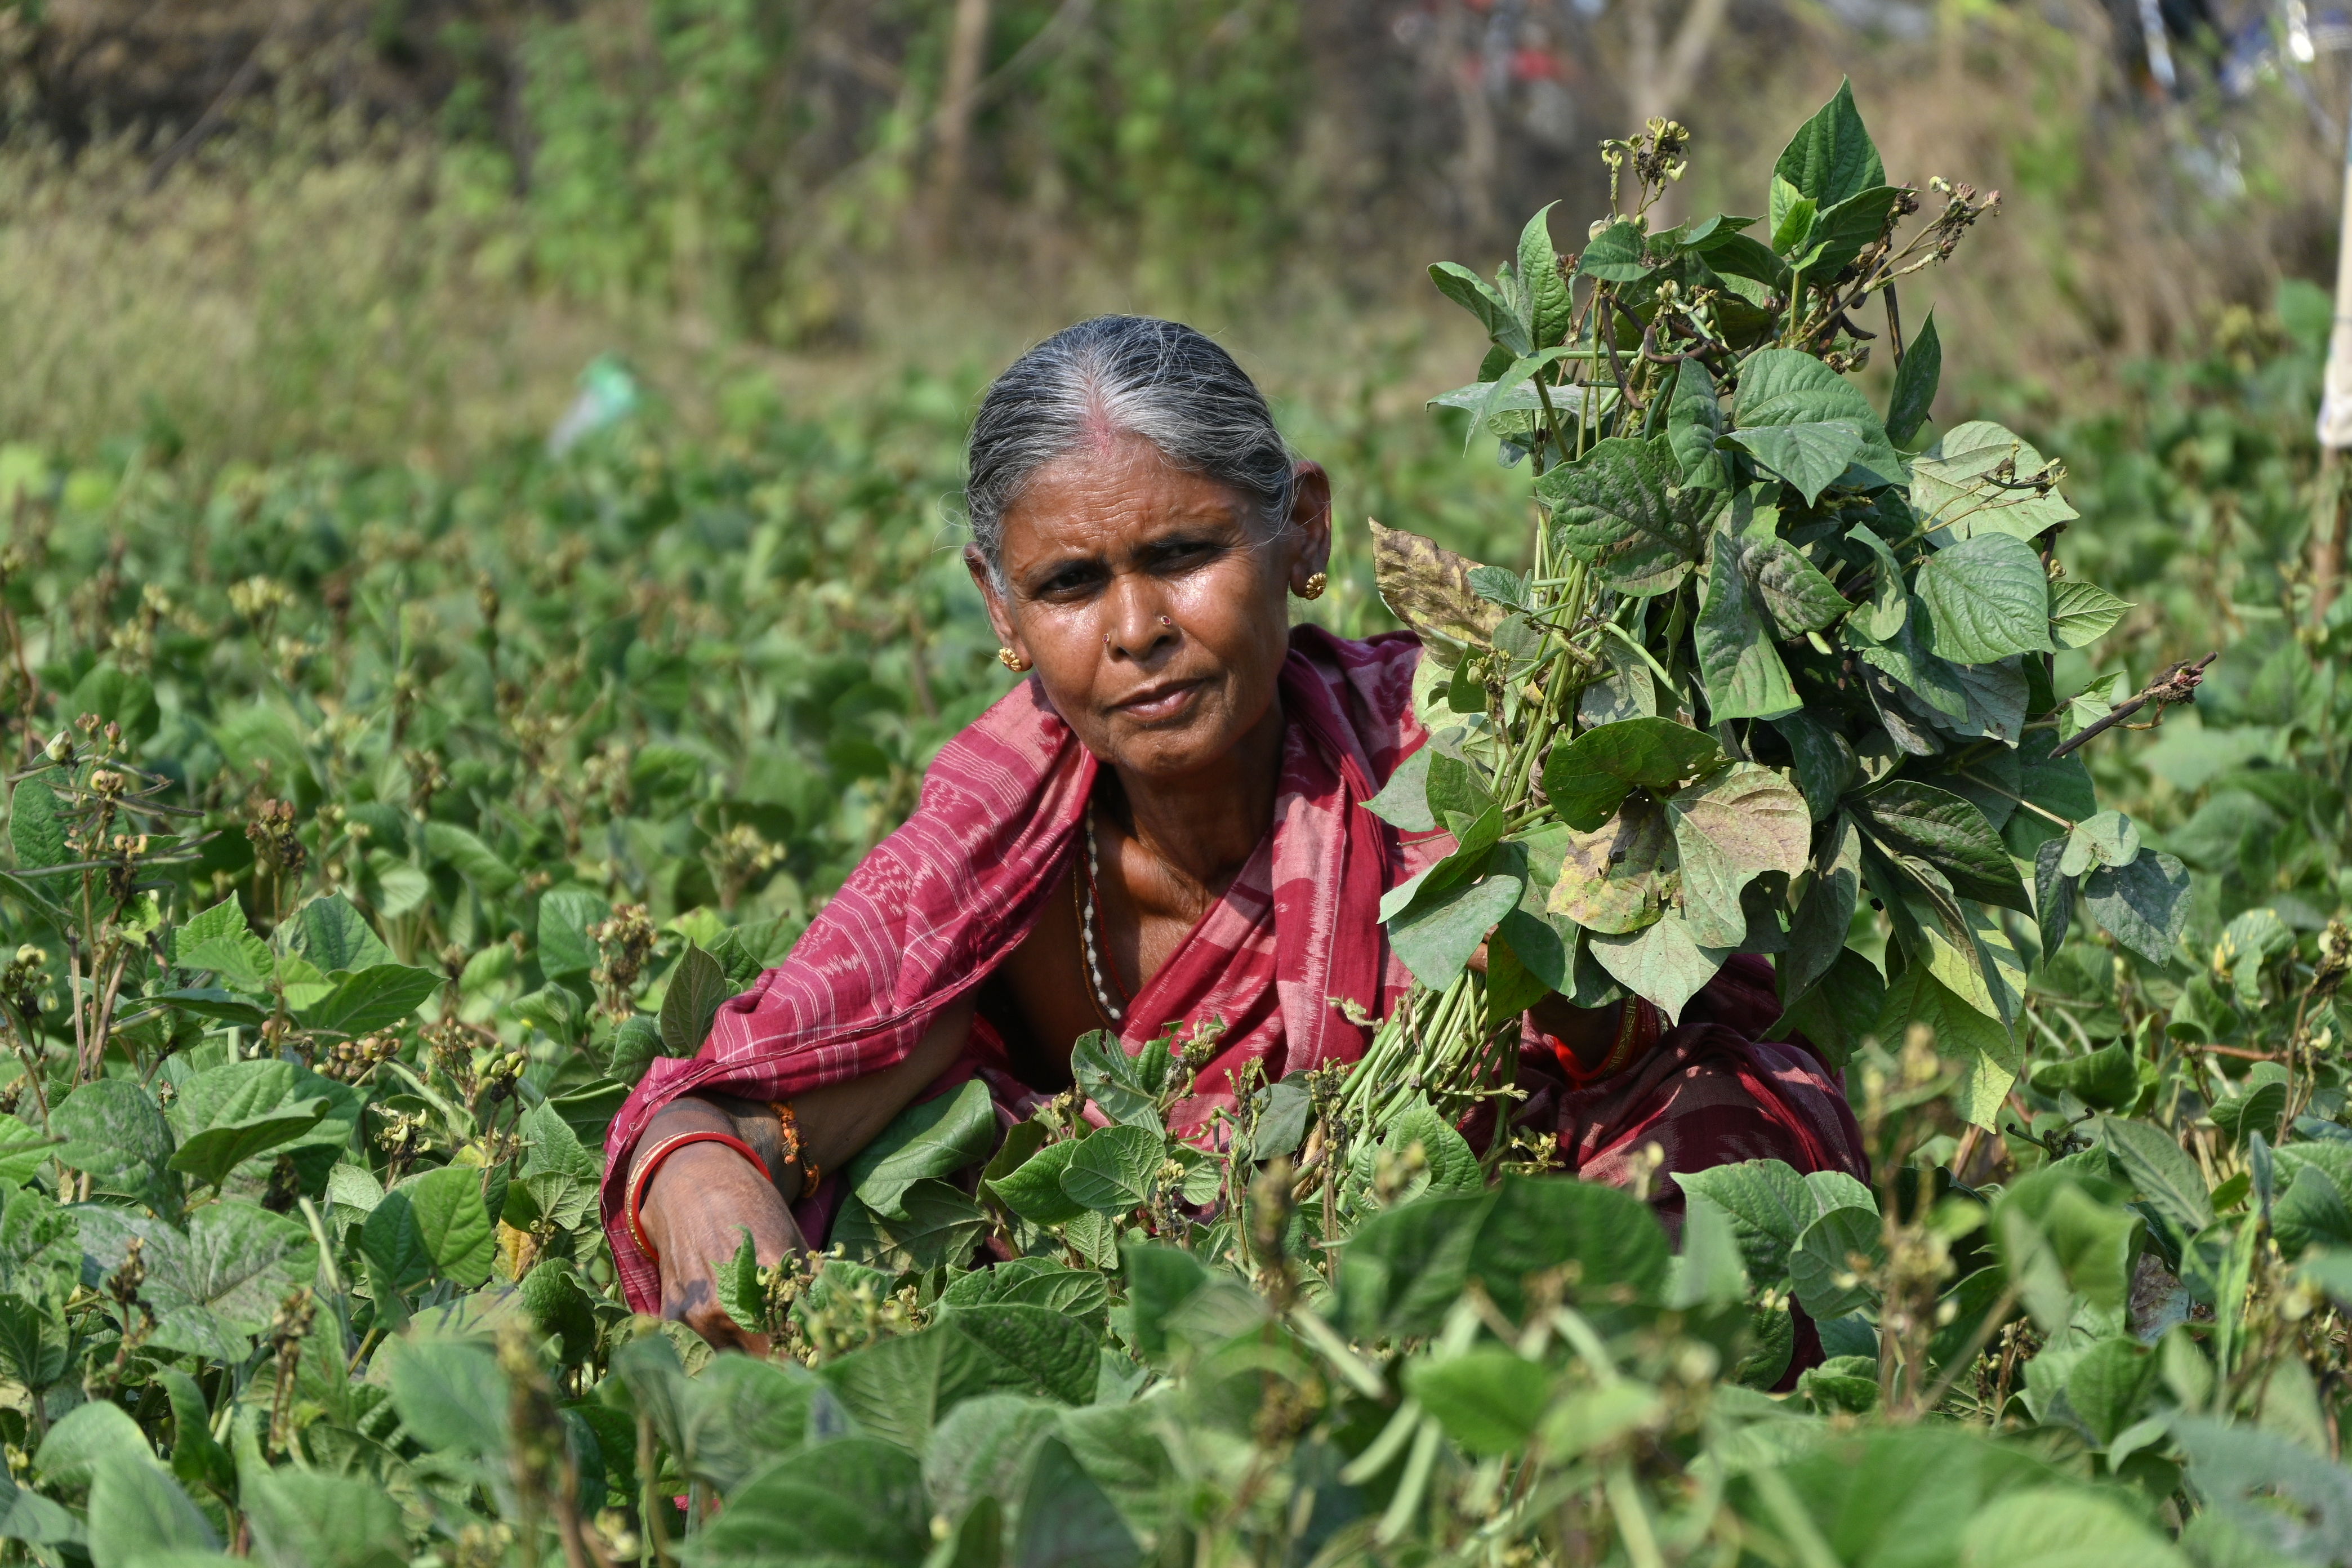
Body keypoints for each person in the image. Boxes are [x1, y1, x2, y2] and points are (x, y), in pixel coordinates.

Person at [599, 315, 1867, 1352]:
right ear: (1002, 608)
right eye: (1071, 585)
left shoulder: (1461, 739)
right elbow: (754, 1077)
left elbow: (1705, 1022)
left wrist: (1560, 983)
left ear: (1301, 532)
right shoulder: (995, 833)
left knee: (1718, 1170)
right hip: (1151, 1311)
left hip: (1476, 1250)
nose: (1138, 626)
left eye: (1186, 552)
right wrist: (706, 1174)